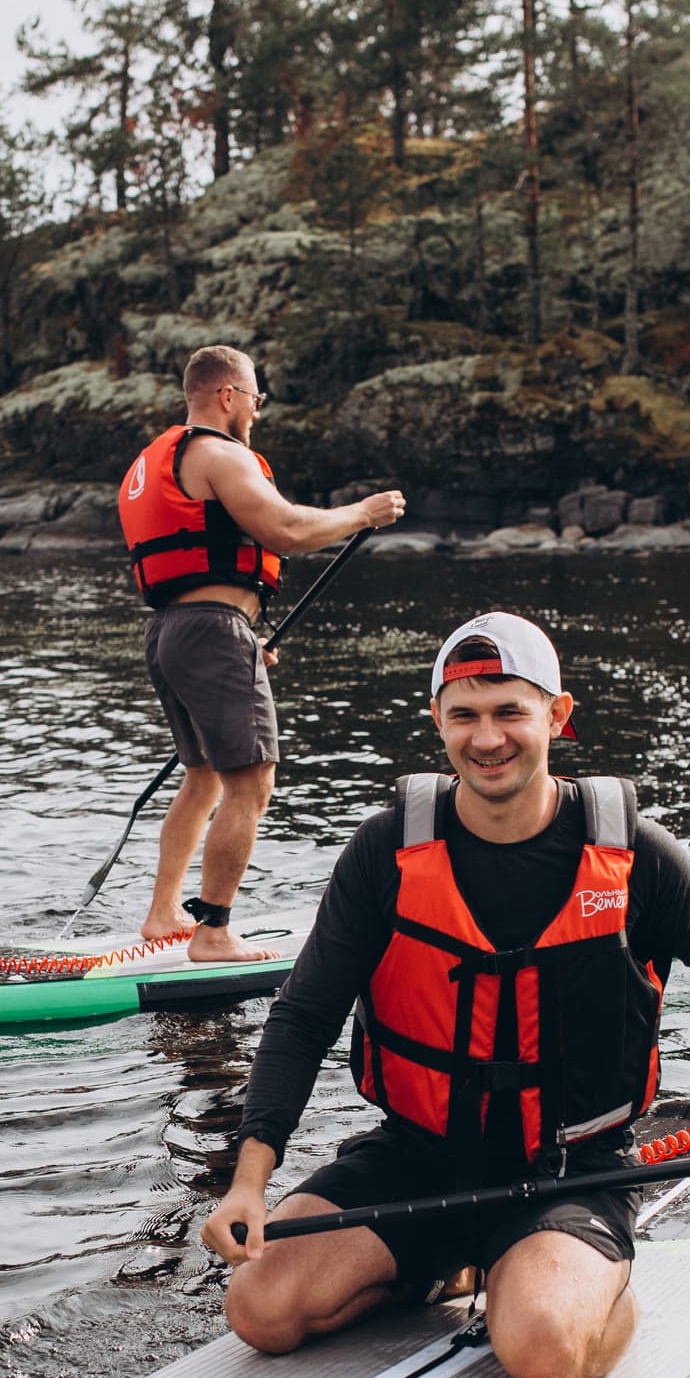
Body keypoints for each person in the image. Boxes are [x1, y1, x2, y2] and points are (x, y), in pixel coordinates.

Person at [203, 610, 690, 1378]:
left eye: (509, 712)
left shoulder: (634, 851)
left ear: (556, 716)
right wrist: (250, 1181)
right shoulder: (383, 853)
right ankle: (448, 1267)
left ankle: (581, 1289)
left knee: (542, 1354)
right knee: (260, 1309)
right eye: (464, 715)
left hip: (570, 1169)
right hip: (417, 1160)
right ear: (438, 721)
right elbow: (303, 1018)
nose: (487, 738)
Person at [118, 344, 405, 966]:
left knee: (203, 776)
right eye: (255, 398)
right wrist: (363, 512)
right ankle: (213, 932)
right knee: (251, 783)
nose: (256, 411)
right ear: (228, 395)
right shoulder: (219, 453)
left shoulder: (151, 460)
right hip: (209, 632)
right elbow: (287, 531)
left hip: (170, 631)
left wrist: (241, 638)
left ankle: (164, 913)